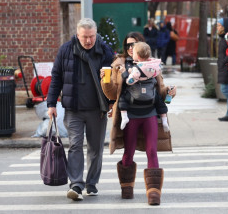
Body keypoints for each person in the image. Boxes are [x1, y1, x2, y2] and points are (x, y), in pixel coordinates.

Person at [100, 32, 176, 206]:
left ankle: (154, 193)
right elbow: (113, 92)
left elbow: (160, 89)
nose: (130, 48)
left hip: (149, 112)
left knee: (152, 150)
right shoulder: (119, 65)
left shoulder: (152, 65)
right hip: (130, 114)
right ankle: (127, 187)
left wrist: (170, 91)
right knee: (129, 151)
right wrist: (105, 81)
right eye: (128, 45)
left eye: (134, 45)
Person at [47, 18, 114, 201]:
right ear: (78, 35)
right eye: (85, 37)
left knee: (95, 148)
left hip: (97, 109)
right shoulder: (66, 50)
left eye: (91, 36)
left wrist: (113, 101)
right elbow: (56, 77)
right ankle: (76, 184)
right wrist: (51, 104)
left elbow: (114, 80)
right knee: (75, 145)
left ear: (96, 34)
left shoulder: (105, 51)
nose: (88, 41)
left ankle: (91, 183)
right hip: (73, 109)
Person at [118, 42, 169, 133]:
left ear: (137, 55)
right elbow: (155, 73)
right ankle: (164, 120)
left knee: (122, 98)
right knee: (160, 101)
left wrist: (125, 73)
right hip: (151, 93)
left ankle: (124, 117)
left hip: (136, 96)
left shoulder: (137, 69)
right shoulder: (153, 64)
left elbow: (130, 82)